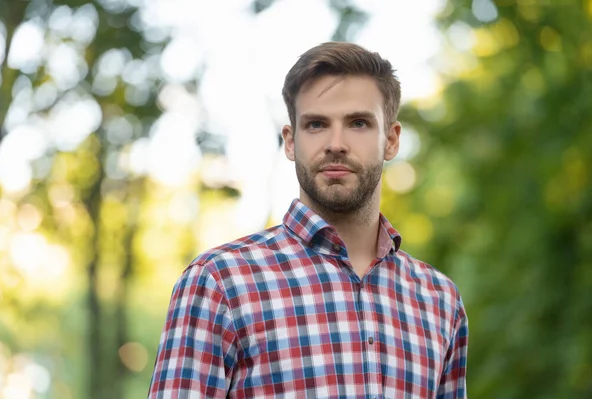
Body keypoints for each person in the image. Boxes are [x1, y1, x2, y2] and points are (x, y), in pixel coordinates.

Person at [148, 42, 468, 398]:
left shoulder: (439, 300)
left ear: (390, 141)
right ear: (290, 141)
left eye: (358, 123)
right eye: (316, 124)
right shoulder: (220, 284)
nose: (336, 143)